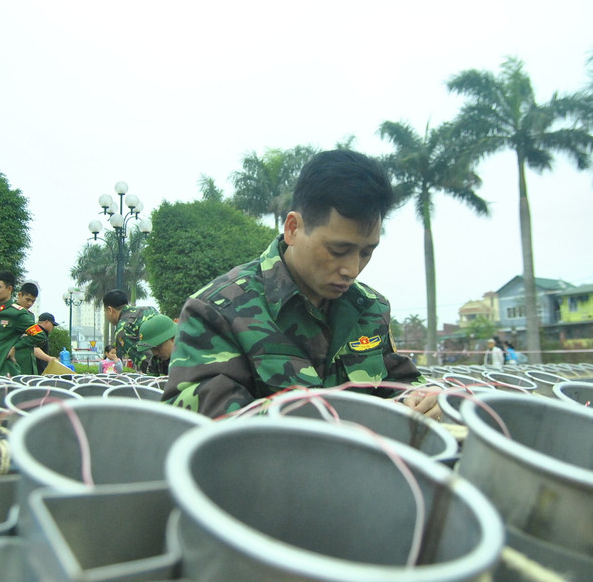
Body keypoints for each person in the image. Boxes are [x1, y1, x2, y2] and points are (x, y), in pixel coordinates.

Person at [162, 149, 440, 419]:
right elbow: (204, 425)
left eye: (367, 252)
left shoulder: (369, 309)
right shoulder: (217, 311)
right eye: (337, 250)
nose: (352, 269)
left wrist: (420, 399)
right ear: (293, 228)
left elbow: (398, 383)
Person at [0, 272, 45, 376]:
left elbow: (39, 335)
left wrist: (16, 347)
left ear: (9, 289)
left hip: (5, 370)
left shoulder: (17, 313)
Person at [102, 289, 159, 372]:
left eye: (105, 311)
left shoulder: (122, 330)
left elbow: (146, 362)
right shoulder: (149, 309)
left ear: (110, 310)